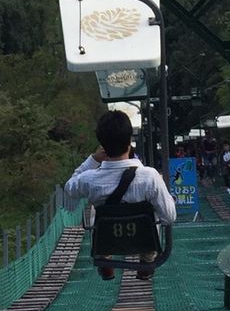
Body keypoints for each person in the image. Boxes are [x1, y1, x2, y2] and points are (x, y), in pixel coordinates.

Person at [64, 109, 176, 280]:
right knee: (155, 208)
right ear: (129, 140)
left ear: (102, 144)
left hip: (107, 239)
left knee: (95, 210)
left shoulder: (89, 179)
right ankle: (147, 260)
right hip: (143, 239)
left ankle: (105, 258)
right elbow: (169, 217)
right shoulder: (150, 177)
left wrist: (93, 159)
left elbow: (69, 188)